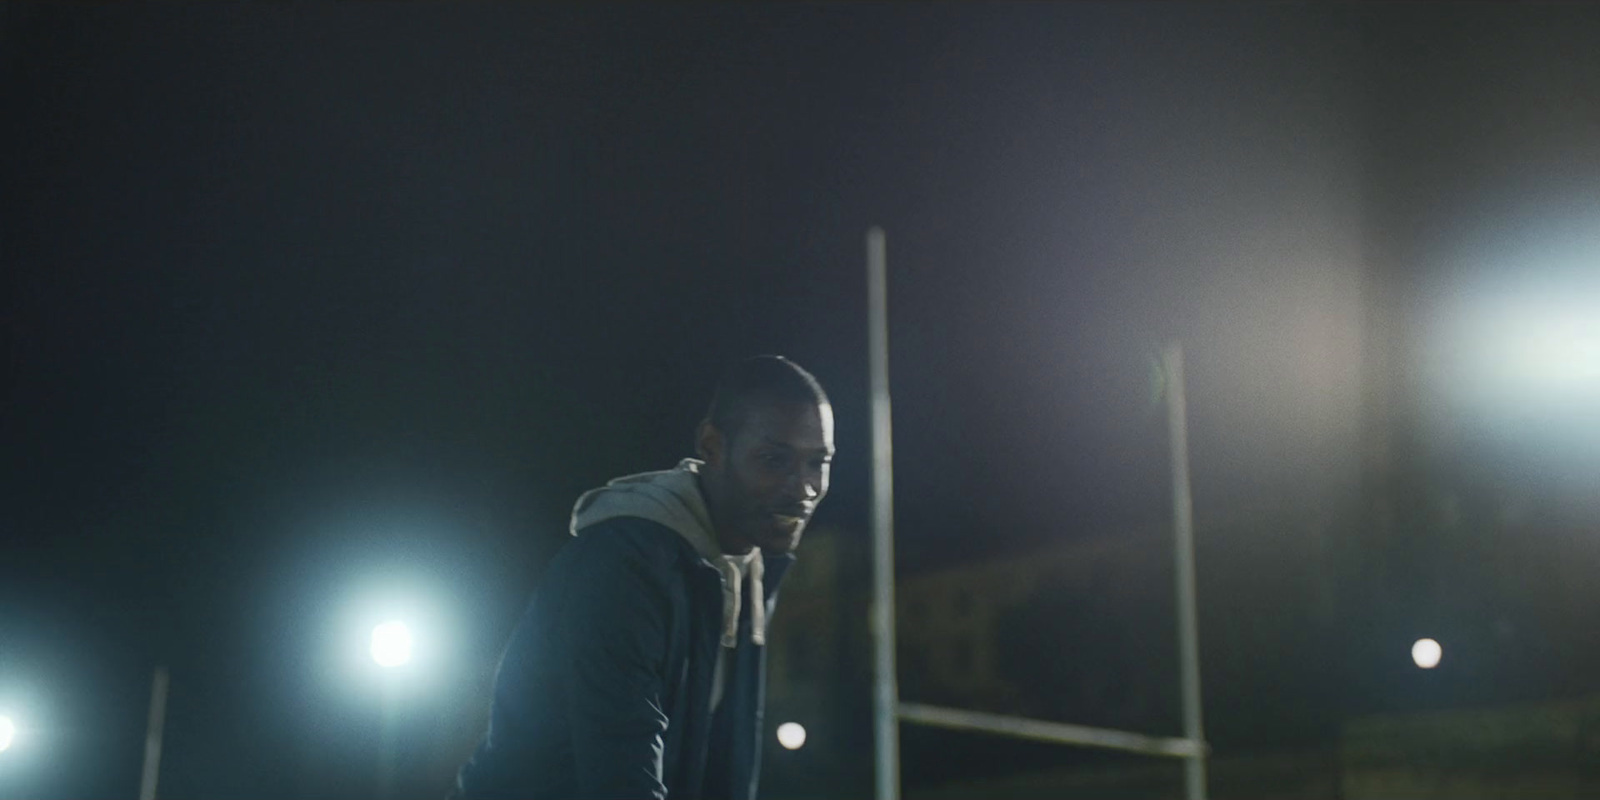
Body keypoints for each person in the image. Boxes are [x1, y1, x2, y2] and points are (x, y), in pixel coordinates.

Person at [453, 355, 834, 800]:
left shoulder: (747, 574)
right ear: (712, 447)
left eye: (817, 463)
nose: (803, 488)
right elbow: (621, 777)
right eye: (774, 460)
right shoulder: (626, 566)